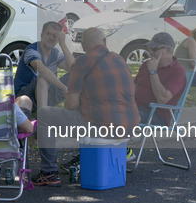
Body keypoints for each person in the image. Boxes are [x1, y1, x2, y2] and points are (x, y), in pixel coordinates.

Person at [32, 27, 139, 187]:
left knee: (45, 115)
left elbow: (71, 104)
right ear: (105, 42)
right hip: (129, 123)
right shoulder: (119, 59)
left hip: (102, 125)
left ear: (83, 46)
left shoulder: (83, 62)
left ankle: (48, 173)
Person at [14, 21, 74, 112]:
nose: (51, 37)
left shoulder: (55, 52)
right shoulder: (32, 50)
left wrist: (63, 45)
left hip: (46, 94)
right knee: (43, 78)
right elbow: (42, 70)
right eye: (48, 34)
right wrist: (63, 87)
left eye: (54, 36)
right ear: (42, 35)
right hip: (25, 97)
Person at [134, 32, 187, 126]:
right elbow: (134, 87)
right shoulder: (146, 65)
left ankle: (118, 139)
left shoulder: (177, 71)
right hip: (135, 108)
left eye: (154, 49)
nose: (150, 52)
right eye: (149, 49)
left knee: (125, 116)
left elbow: (162, 98)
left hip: (156, 114)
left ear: (168, 49)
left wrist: (153, 72)